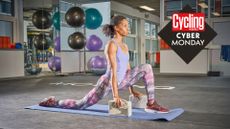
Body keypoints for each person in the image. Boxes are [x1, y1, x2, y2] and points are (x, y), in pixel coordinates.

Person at [39, 15, 169, 113]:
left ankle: (151, 103)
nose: (127, 27)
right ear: (116, 28)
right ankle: (53, 102)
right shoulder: (111, 45)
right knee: (81, 104)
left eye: (127, 25)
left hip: (122, 80)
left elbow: (128, 69)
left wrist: (132, 90)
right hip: (107, 83)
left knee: (147, 67)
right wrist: (116, 96)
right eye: (124, 25)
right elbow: (113, 71)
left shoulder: (124, 45)